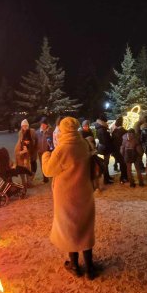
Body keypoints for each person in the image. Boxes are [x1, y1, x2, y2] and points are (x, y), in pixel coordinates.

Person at [42, 117, 98, 279]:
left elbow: (48, 171)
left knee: (69, 228)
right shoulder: (82, 144)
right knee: (86, 227)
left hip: (66, 195)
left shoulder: (62, 148)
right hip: (85, 191)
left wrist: (46, 154)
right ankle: (90, 267)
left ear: (63, 129)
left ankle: (74, 264)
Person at [14, 119, 36, 187]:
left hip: (28, 152)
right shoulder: (20, 136)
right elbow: (17, 152)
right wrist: (23, 151)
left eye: (26, 126)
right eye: (23, 126)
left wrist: (28, 147)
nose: (25, 127)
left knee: (28, 168)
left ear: (28, 126)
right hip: (21, 155)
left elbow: (34, 141)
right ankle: (24, 183)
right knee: (22, 169)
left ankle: (29, 182)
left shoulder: (31, 132)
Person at [94, 113, 114, 184]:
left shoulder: (99, 128)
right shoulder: (102, 129)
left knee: (106, 163)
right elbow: (106, 140)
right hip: (106, 148)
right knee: (106, 163)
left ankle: (107, 176)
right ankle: (106, 179)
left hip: (104, 147)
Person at [36, 117, 54, 183]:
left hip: (48, 151)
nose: (42, 126)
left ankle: (51, 176)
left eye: (44, 124)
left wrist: (52, 149)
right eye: (41, 124)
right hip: (40, 152)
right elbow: (35, 141)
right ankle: (45, 178)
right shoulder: (37, 132)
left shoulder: (50, 131)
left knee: (50, 164)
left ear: (47, 125)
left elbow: (52, 142)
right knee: (42, 165)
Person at [111, 117, 128, 183]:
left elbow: (112, 141)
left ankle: (123, 177)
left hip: (116, 150)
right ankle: (124, 177)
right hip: (123, 150)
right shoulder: (125, 131)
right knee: (124, 164)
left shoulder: (114, 132)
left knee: (121, 163)